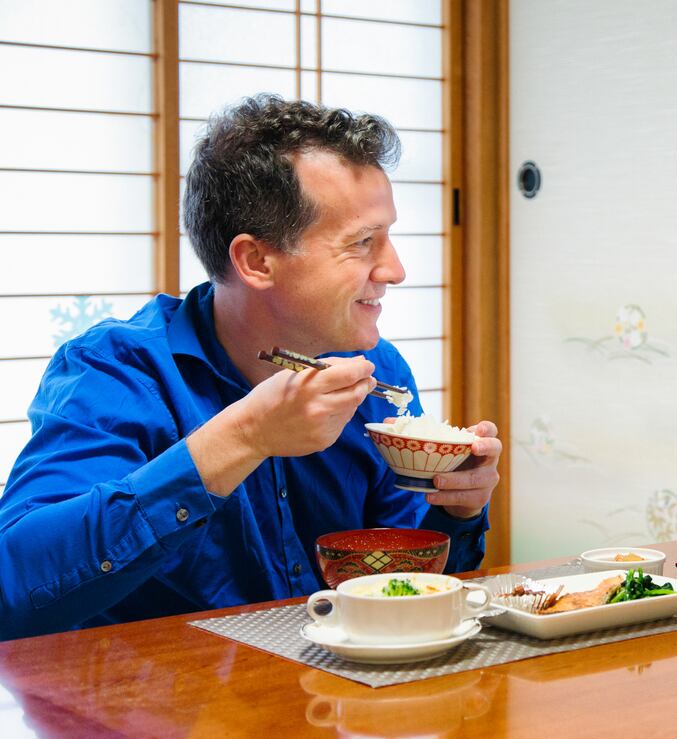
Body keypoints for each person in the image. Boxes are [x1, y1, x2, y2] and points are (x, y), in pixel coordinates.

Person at [0, 95, 501, 641]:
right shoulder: (116, 371)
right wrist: (244, 437)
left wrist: (457, 509)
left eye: (388, 237)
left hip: (326, 704)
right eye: (362, 243)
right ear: (256, 261)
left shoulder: (375, 369)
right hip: (156, 715)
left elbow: (398, 591)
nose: (396, 269)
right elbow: (17, 586)